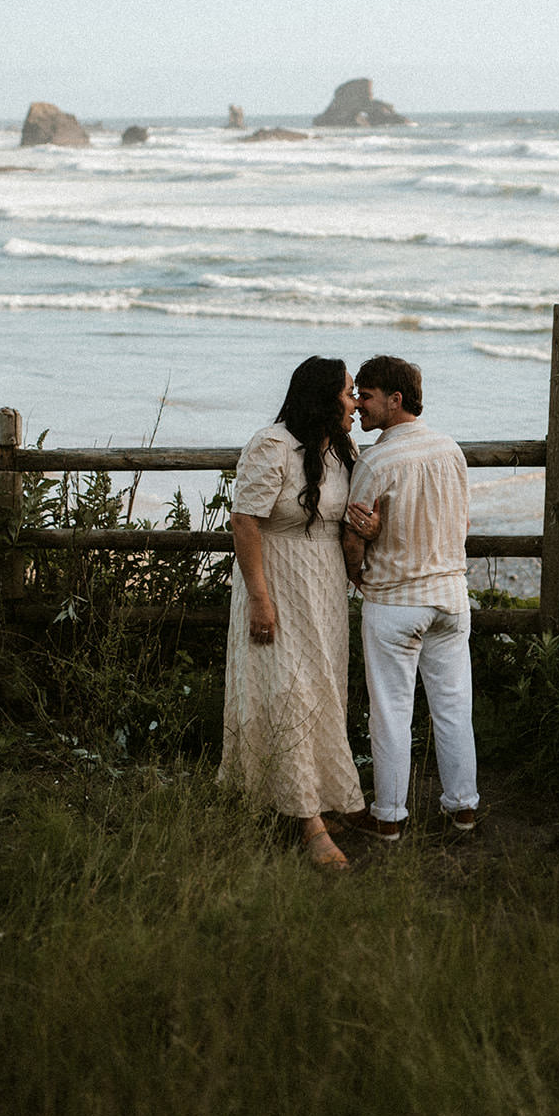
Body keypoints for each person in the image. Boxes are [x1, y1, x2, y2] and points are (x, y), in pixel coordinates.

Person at [219, 356, 367, 869]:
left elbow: (343, 519)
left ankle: (323, 796)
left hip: (323, 586)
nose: (356, 401)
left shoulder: (339, 450)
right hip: (276, 581)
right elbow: (244, 521)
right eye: (349, 391)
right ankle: (308, 822)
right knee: (287, 689)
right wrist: (260, 598)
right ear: (323, 397)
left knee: (324, 688)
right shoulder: (272, 444)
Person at [343, 355, 479, 840]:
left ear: (395, 400)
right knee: (453, 705)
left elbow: (354, 538)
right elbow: (462, 525)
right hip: (450, 596)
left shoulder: (376, 460)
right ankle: (463, 808)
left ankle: (390, 818)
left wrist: (357, 576)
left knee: (391, 713)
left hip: (395, 602)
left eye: (367, 395)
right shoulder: (451, 450)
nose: (358, 405)